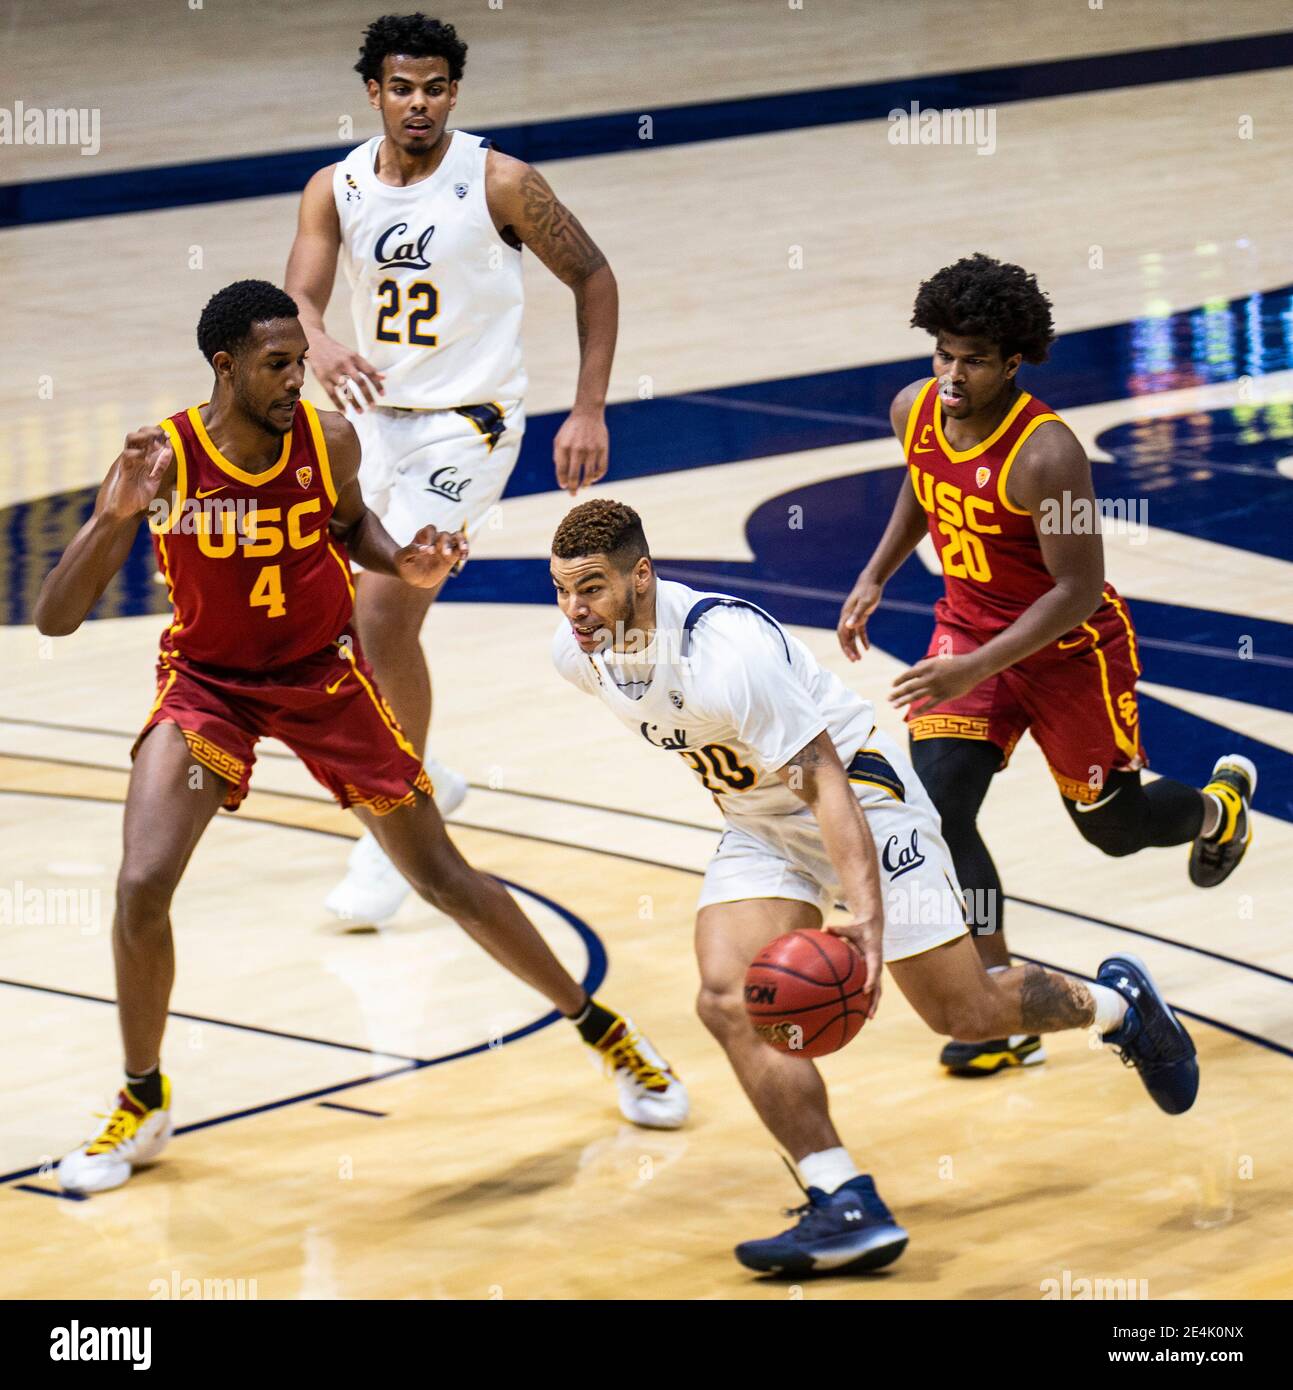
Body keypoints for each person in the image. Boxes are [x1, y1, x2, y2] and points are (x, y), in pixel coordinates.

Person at [36, 282, 684, 1195]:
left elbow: (351, 528)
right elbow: (55, 619)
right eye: (276, 364)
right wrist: (114, 515)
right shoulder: (163, 458)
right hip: (208, 687)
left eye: (300, 359)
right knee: (142, 882)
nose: (296, 377)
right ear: (224, 366)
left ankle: (606, 1032)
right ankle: (142, 1099)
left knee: (440, 875)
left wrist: (403, 559)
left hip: (322, 682)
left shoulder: (327, 438)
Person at [549, 498, 1197, 1276]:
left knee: (964, 1011)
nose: (575, 610)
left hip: (863, 804)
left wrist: (865, 916)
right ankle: (842, 1199)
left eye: (590, 588)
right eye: (560, 590)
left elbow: (825, 781)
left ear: (641, 576)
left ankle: (1122, 1008)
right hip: (761, 825)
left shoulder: (726, 651)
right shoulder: (577, 653)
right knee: (725, 1000)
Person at [837, 254, 1256, 1077]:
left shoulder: (1047, 453)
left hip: (1069, 654)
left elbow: (1076, 588)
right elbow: (923, 487)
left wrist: (974, 666)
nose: (952, 376)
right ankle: (998, 999)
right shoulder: (912, 408)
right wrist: (876, 571)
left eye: (974, 361)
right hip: (969, 635)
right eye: (943, 354)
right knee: (939, 808)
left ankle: (1217, 812)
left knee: (1113, 830)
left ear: (1013, 361)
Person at [285, 13, 617, 923]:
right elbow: (300, 301)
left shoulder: (500, 181)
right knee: (332, 625)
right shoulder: (336, 186)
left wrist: (586, 407)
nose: (419, 102)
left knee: (383, 613)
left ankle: (394, 835)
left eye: (434, 87)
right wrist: (318, 344)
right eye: (402, 87)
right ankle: (424, 777)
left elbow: (593, 277)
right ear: (373, 93)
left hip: (468, 426)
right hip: (367, 424)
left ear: (453, 92)